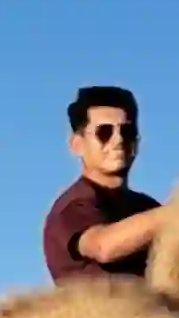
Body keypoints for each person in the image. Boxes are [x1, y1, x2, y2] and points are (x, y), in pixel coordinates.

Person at [43, 84, 166, 284]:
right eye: (104, 132)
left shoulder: (146, 207)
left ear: (136, 142)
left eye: (126, 131)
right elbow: (103, 247)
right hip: (93, 314)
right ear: (77, 144)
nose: (117, 140)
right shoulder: (74, 206)